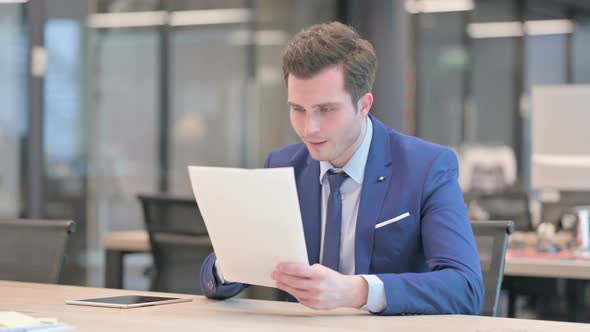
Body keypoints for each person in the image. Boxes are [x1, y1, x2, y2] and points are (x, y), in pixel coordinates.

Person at [200, 21, 484, 315]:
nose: (310, 128)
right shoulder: (284, 166)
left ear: (364, 105)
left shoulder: (426, 168)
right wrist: (234, 257)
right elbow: (214, 279)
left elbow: (465, 288)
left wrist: (356, 291)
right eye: (298, 109)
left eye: (326, 110)